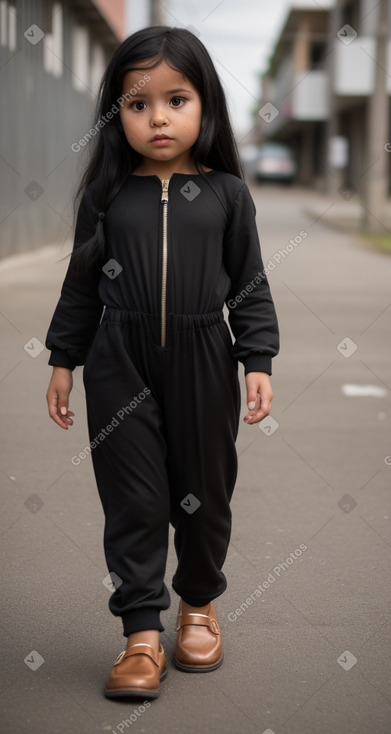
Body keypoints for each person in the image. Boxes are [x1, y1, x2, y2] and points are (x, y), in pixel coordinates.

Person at [45, 25, 279, 700]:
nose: (157, 118)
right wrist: (64, 357)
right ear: (117, 115)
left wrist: (255, 357)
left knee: (201, 494)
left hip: (206, 359)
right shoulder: (107, 196)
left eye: (175, 100)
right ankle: (141, 633)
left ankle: (198, 604)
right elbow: (81, 283)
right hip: (117, 358)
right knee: (134, 499)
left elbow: (250, 286)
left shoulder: (229, 195)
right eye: (138, 104)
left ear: (204, 105)